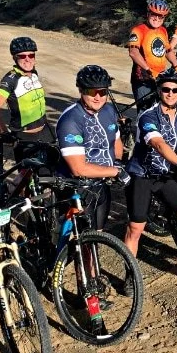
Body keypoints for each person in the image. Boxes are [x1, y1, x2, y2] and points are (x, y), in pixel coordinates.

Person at [123, 70, 177, 273]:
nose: (170, 93)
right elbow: (158, 144)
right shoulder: (148, 115)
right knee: (136, 228)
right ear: (159, 90)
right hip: (141, 175)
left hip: (163, 175)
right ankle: (129, 276)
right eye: (165, 89)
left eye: (175, 90)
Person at [56, 65, 126, 233]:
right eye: (91, 91)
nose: (98, 97)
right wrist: (115, 172)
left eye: (102, 92)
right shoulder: (71, 119)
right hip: (79, 188)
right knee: (83, 239)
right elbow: (79, 169)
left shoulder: (109, 110)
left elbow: (116, 141)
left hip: (102, 185)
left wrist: (117, 163)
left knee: (97, 235)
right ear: (81, 90)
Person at [0, 37, 52, 161]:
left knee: (50, 172)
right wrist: (4, 132)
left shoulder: (34, 73)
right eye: (22, 56)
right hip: (25, 136)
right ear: (15, 58)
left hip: (45, 130)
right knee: (28, 177)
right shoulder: (11, 79)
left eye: (31, 55)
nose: (27, 59)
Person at [128, 0, 176, 103]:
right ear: (148, 13)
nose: (157, 18)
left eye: (161, 16)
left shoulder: (163, 30)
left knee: (160, 110)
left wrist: (176, 65)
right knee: (145, 111)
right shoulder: (138, 30)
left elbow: (167, 51)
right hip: (143, 79)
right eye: (154, 14)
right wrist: (148, 69)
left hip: (160, 78)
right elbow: (133, 52)